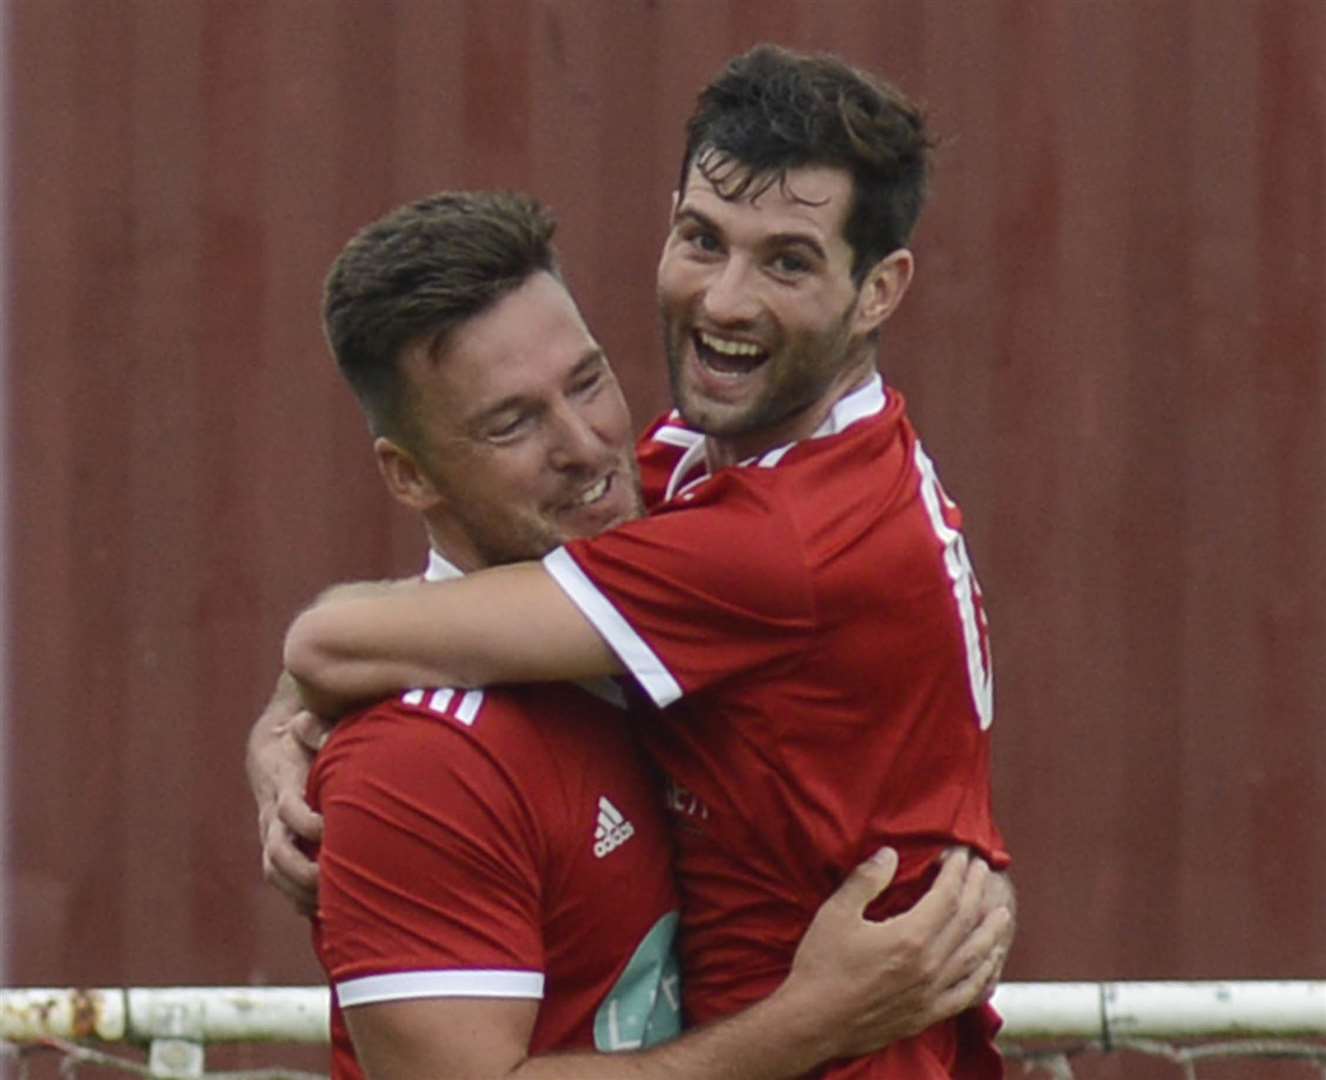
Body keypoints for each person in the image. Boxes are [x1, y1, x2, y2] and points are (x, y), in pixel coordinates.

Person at [282, 44, 1012, 1078]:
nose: (724, 299)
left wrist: (296, 709)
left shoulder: (773, 537)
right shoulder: (701, 473)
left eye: (789, 261)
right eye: (702, 239)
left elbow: (328, 638)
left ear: (880, 289)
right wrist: (290, 737)